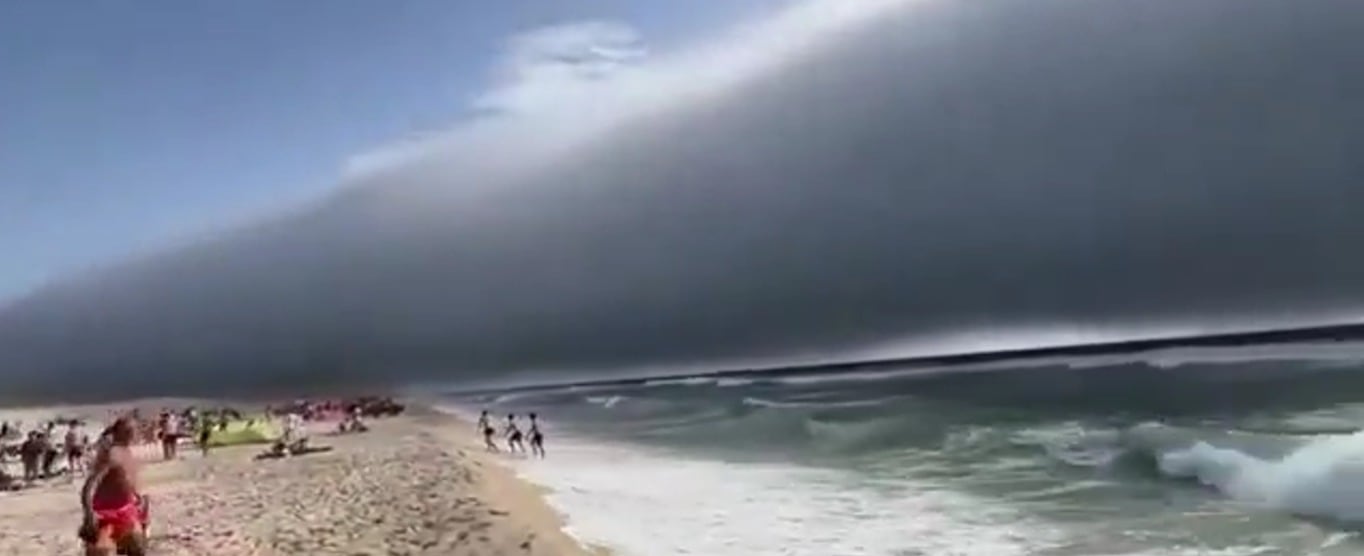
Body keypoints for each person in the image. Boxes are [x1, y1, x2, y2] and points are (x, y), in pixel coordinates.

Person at [79, 418, 149, 556]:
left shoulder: (128, 452)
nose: (133, 433)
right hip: (105, 512)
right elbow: (90, 485)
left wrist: (139, 496)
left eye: (134, 430)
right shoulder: (110, 454)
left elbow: (127, 479)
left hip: (127, 509)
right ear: (117, 432)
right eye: (128, 430)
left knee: (138, 548)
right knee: (101, 551)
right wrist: (89, 513)